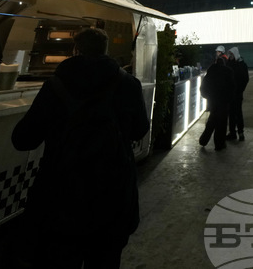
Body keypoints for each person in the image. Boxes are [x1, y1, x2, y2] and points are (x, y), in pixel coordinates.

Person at [11, 27, 149, 268]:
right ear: (106, 50)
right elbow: (140, 130)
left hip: (62, 196)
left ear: (75, 50)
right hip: (113, 195)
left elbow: (23, 139)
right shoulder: (129, 84)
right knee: (106, 260)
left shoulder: (54, 86)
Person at [199, 47, 235, 151]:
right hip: (223, 103)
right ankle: (219, 144)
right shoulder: (228, 71)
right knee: (221, 124)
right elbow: (232, 87)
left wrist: (205, 95)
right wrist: (230, 99)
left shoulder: (211, 70)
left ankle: (203, 140)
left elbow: (204, 85)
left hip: (213, 101)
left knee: (211, 121)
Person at [225, 47, 250, 142]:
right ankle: (233, 133)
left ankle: (240, 132)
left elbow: (245, 79)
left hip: (237, 93)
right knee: (231, 113)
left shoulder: (241, 65)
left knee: (238, 113)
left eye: (231, 54)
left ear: (235, 54)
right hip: (231, 94)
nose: (230, 56)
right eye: (229, 54)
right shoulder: (230, 63)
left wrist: (240, 90)